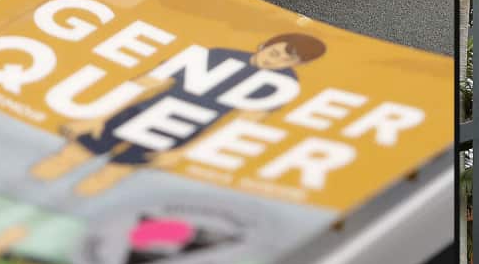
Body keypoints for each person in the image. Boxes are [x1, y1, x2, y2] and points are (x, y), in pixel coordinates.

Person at [30, 32, 327, 196]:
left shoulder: (284, 84)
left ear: (297, 64)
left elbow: (240, 124)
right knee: (65, 158)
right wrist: (98, 116)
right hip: (139, 111)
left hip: (178, 132)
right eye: (275, 52)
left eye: (288, 59)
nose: (275, 61)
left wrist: (184, 152)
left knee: (107, 177)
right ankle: (20, 195)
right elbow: (152, 81)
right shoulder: (220, 54)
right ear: (266, 44)